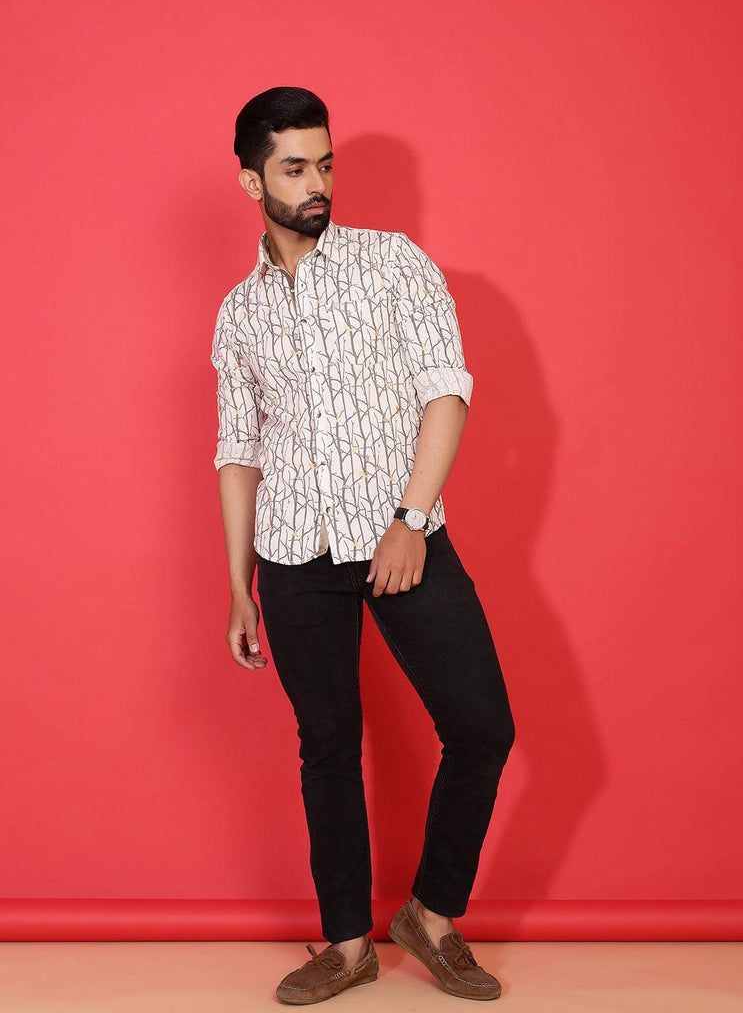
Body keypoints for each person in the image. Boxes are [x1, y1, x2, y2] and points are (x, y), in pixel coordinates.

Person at [210, 85, 516, 1004]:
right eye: (294, 168)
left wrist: (411, 519)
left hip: (402, 539)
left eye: (325, 164)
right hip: (292, 556)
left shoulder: (393, 263)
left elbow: (446, 392)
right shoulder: (239, 313)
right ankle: (347, 946)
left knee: (482, 728)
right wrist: (239, 586)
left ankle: (431, 914)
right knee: (328, 748)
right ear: (251, 181)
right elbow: (239, 451)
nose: (317, 183)